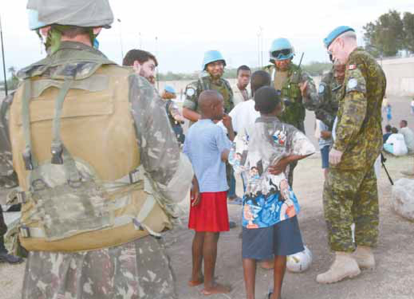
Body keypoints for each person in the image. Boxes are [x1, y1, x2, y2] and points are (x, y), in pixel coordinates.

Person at [2, 2, 193, 298]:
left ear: (43, 30)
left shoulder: (15, 101)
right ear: (98, 27)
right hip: (129, 259)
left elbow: (5, 178)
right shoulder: (133, 87)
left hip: (49, 267)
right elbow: (168, 167)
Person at [229, 86, 315, 299]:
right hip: (281, 202)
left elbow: (236, 163)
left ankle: (250, 296)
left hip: (254, 203)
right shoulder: (287, 130)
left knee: (249, 252)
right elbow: (308, 148)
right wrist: (285, 160)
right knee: (281, 250)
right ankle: (276, 294)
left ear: (256, 107)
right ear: (279, 107)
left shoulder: (246, 131)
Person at [317, 26, 386, 284]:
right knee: (366, 198)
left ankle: (344, 260)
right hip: (369, 148)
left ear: (340, 43)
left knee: (334, 197)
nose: (332, 55)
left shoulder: (356, 63)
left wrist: (339, 145)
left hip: (355, 149)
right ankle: (365, 252)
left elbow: (355, 107)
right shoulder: (372, 62)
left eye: (331, 49)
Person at [183, 90, 234, 296]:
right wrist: (230, 130)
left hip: (198, 188)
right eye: (221, 105)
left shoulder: (193, 130)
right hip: (213, 189)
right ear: (213, 108)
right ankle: (210, 285)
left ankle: (196, 276)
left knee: (200, 233)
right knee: (212, 235)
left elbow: (185, 158)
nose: (223, 109)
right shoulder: (216, 131)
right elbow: (227, 155)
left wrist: (194, 183)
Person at [182, 50, 241, 205]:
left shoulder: (226, 85)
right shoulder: (197, 85)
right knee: (203, 177)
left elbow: (229, 110)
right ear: (206, 67)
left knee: (223, 176)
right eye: (213, 65)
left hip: (221, 137)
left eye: (220, 64)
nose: (218, 67)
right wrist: (208, 121)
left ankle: (220, 214)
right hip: (203, 138)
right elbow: (186, 111)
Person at [263, 37, 318, 186]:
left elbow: (313, 105)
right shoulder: (266, 74)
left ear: (291, 55)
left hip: (292, 130)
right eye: (277, 55)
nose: (282, 59)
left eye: (285, 54)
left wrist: (305, 94)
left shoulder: (301, 75)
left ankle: (286, 198)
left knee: (288, 168)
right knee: (269, 168)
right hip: (270, 131)